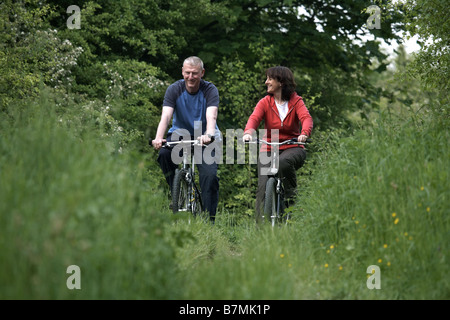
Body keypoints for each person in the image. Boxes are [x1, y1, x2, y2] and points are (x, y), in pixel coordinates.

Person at [152, 56, 220, 222]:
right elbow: (166, 116)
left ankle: (208, 221)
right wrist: (158, 138)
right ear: (182, 72)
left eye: (195, 73)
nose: (191, 77)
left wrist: (209, 134)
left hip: (205, 137)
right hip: (179, 134)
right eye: (187, 73)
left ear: (202, 73)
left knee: (209, 177)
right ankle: (177, 192)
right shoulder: (174, 89)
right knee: (164, 155)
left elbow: (211, 115)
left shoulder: (210, 90)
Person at [243, 66, 313, 223]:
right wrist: (248, 132)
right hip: (268, 147)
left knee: (282, 163)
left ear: (281, 82)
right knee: (262, 189)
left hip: (293, 147)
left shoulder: (296, 101)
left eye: (270, 79)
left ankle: (290, 198)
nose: (266, 82)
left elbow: (306, 118)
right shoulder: (265, 102)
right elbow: (254, 118)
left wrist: (304, 133)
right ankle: (261, 233)